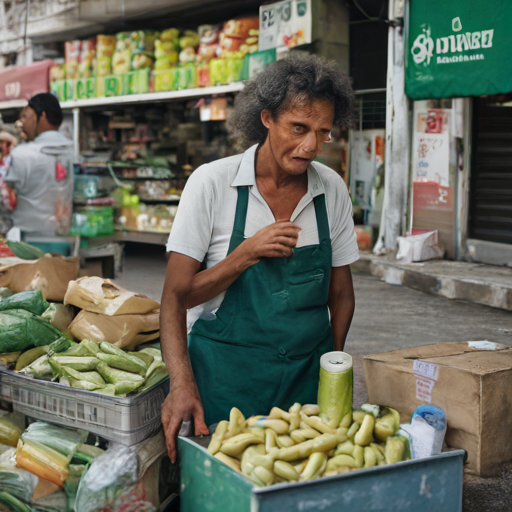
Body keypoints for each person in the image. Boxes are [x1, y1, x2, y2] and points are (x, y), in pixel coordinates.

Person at [161, 54, 359, 461]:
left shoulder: (331, 190)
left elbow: (341, 296)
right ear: (267, 118)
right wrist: (246, 254)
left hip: (306, 385)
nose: (310, 146)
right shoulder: (212, 184)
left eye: (323, 133)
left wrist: (332, 373)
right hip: (226, 384)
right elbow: (177, 298)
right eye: (299, 128)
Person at [6, 93, 73, 237]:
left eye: (25, 116)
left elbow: (5, 197)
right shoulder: (73, 152)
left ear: (41, 116)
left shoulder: (22, 154)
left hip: (28, 239)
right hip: (67, 238)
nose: (22, 123)